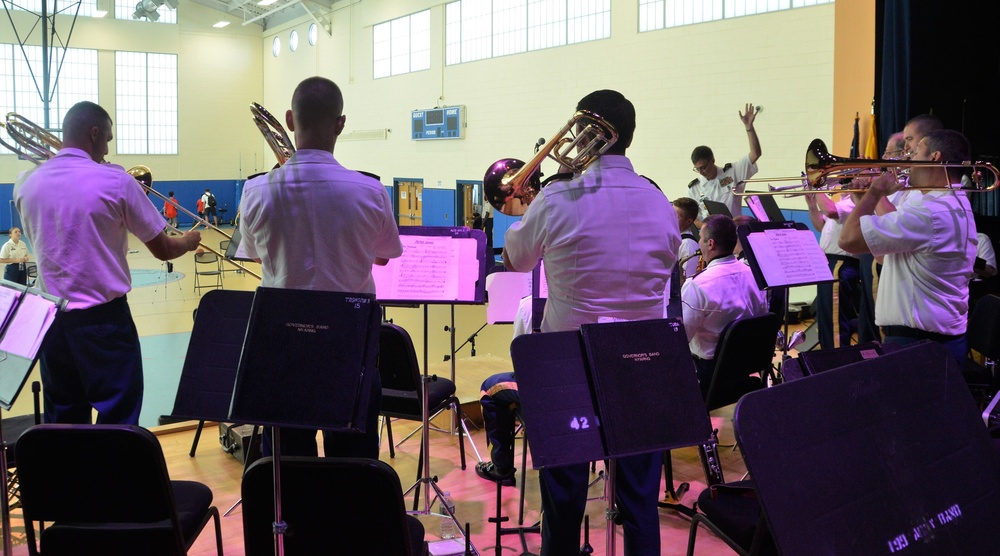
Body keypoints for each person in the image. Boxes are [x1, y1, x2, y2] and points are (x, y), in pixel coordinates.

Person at [503, 89, 679, 556]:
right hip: (643, 360)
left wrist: (547, 190)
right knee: (640, 500)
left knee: (563, 501)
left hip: (569, 364)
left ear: (586, 134)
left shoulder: (559, 196)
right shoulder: (660, 202)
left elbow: (516, 259)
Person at [239, 76, 403, 459]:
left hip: (283, 345)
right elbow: (384, 254)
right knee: (354, 463)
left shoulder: (256, 190)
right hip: (351, 346)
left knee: (287, 464)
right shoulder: (371, 191)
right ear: (340, 123)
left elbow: (258, 255)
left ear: (290, 120)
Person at [14, 100, 201, 424]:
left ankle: (71, 475)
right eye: (108, 139)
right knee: (119, 415)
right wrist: (188, 241)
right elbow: (163, 249)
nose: (107, 148)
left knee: (64, 420)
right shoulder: (117, 182)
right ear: (94, 133)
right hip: (105, 323)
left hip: (52, 323)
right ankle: (112, 475)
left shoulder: (26, 183)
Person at [840, 129, 977, 365]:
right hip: (933, 341)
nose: (906, 159)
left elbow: (848, 240)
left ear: (934, 157)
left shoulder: (930, 212)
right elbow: (886, 255)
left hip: (918, 347)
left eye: (914, 151)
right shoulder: (953, 202)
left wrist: (874, 192)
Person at [681, 214, 768, 397]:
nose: (699, 245)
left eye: (701, 240)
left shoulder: (697, 285)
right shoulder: (756, 276)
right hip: (746, 369)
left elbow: (681, 339)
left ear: (710, 244)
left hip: (709, 375)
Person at [475, 295, 532, 487]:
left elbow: (518, 356)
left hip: (543, 387)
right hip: (590, 386)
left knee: (489, 389)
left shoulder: (529, 305)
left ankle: (502, 467)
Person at [805, 192, 862, 349]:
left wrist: (816, 188)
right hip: (830, 263)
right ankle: (830, 358)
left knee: (834, 322)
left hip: (841, 263)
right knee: (827, 320)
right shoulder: (843, 202)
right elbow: (822, 227)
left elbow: (830, 211)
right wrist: (811, 205)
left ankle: (836, 363)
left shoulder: (855, 201)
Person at [688, 103, 762, 221]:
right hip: (711, 234)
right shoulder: (694, 188)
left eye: (704, 167)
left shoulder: (733, 172)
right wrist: (708, 227)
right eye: (697, 169)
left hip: (733, 232)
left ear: (712, 160)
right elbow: (692, 217)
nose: (701, 172)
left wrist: (749, 127)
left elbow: (755, 153)